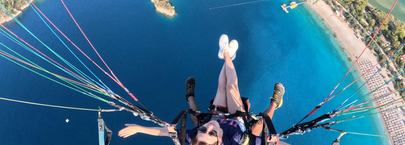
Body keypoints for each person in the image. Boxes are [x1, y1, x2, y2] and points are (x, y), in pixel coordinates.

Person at [118, 34, 285, 145]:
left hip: (220, 117)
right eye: (212, 134)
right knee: (233, 89)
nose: (209, 127)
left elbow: (165, 133)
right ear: (220, 142)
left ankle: (191, 96)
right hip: (238, 123)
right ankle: (275, 102)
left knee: (214, 95)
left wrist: (139, 128)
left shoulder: (194, 137)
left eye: (203, 131)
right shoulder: (235, 138)